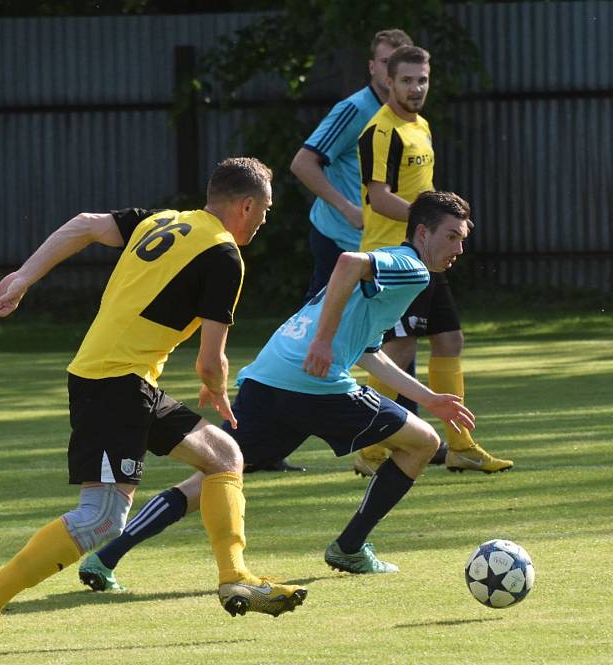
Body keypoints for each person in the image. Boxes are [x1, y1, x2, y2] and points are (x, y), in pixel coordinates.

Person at [0, 157, 307, 653]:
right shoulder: (224, 256)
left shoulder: (164, 220)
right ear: (247, 205)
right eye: (265, 209)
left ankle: (235, 577)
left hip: (126, 380)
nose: (266, 220)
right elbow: (211, 358)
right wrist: (219, 390)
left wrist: (23, 277)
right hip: (113, 383)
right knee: (100, 520)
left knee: (224, 457)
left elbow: (83, 225)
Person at [79, 190, 476, 591]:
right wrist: (322, 342)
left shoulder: (395, 269)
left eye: (462, 238)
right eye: (452, 236)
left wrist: (429, 399)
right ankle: (350, 547)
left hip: (270, 375)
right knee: (423, 443)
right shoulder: (412, 267)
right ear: (422, 233)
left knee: (217, 472)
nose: (459, 248)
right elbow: (348, 262)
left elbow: (368, 351)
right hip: (314, 384)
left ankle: (106, 557)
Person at [355, 45, 513, 476]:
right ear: (389, 81)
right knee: (398, 348)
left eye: (422, 79)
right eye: (407, 80)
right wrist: (433, 220)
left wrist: (436, 231)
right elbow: (379, 197)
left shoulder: (421, 125)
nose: (416, 87)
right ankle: (370, 448)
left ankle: (460, 446)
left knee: (449, 341)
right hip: (395, 259)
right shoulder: (381, 131)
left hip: (427, 256)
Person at [267, 28, 413, 475]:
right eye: (387, 66)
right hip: (340, 243)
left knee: (399, 337)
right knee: (310, 344)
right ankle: (261, 438)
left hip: (378, 249)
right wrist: (349, 208)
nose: (394, 77)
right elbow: (301, 162)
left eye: (402, 68)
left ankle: (406, 436)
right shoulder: (354, 109)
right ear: (374, 68)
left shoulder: (406, 119)